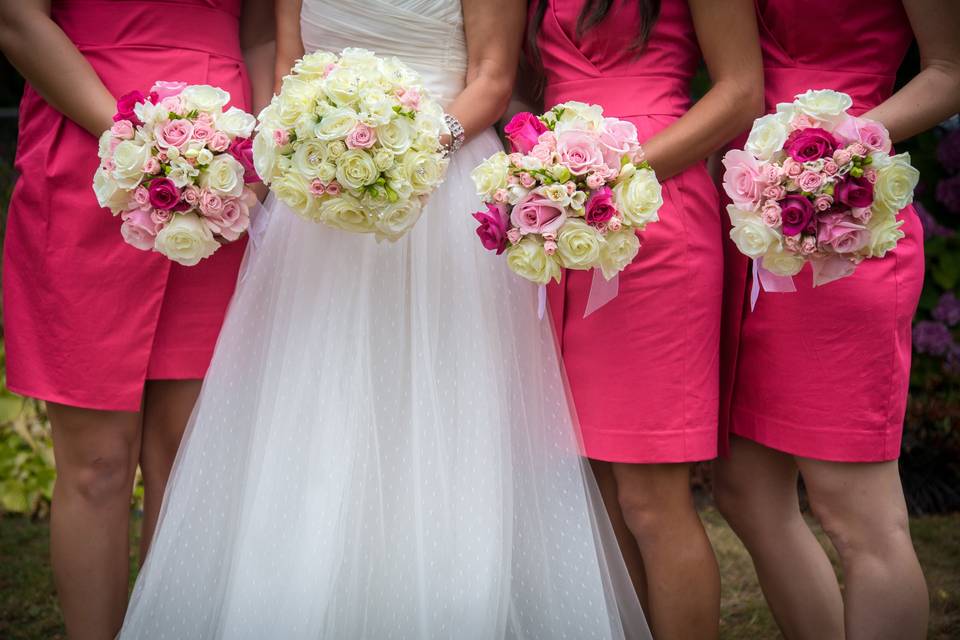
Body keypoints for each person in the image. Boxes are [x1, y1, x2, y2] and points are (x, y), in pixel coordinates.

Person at [118, 1, 651, 638]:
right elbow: (290, 65)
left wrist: (417, 153)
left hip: (441, 193)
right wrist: (302, 151)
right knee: (317, 403)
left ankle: (450, 599)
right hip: (315, 205)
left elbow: (491, 75)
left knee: (437, 407)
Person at [0, 1, 274, 638]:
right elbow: (17, 18)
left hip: (221, 178)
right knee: (96, 463)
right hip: (86, 152)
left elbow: (261, 31)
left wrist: (254, 161)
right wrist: (133, 138)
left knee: (187, 462)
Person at [715, 1, 960, 638]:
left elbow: (949, 68)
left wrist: (838, 148)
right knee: (745, 488)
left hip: (843, 218)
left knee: (859, 515)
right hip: (751, 218)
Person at [529, 1, 762, 637]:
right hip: (556, 208)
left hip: (653, 199)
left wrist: (613, 177)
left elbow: (741, 91)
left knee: (650, 500)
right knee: (598, 494)